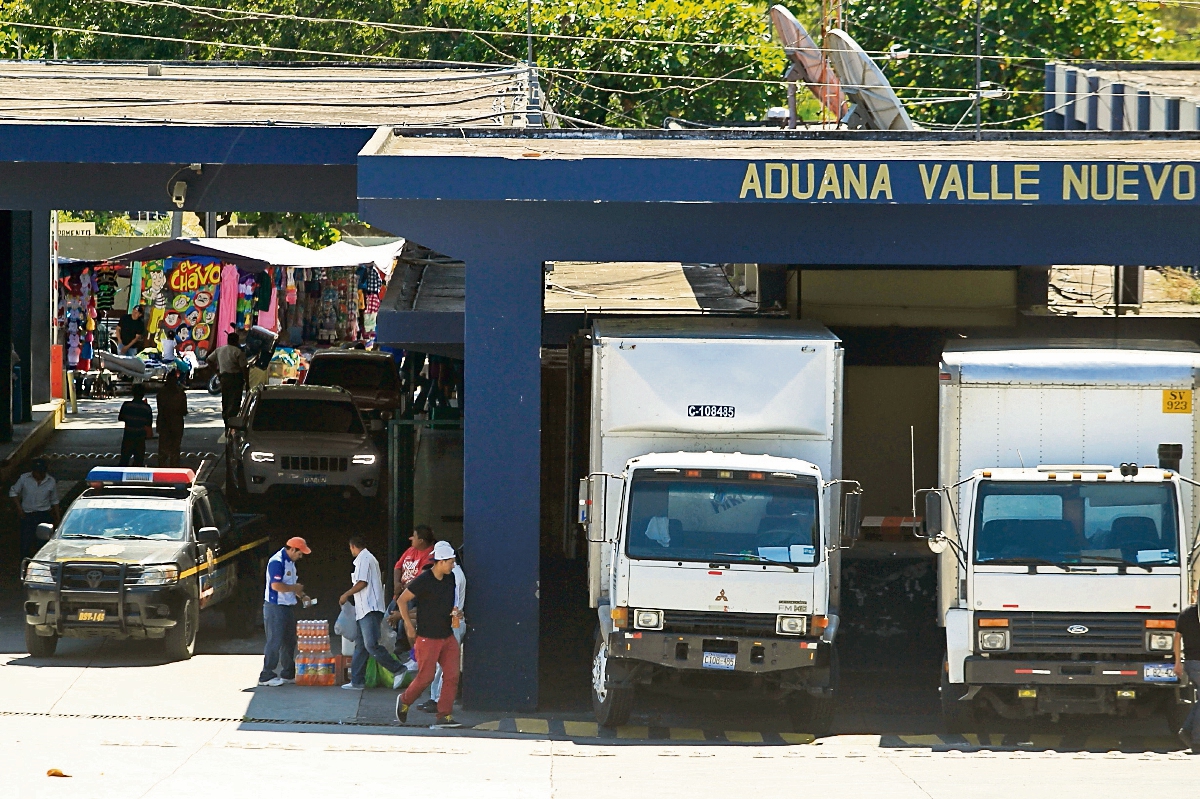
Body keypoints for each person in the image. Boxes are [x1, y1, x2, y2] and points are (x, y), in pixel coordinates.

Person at [393, 541, 463, 728]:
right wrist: (408, 625)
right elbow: (402, 600)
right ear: (440, 562)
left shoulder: (451, 579)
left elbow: (447, 603)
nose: (453, 565)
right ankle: (405, 700)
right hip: (427, 637)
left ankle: (444, 715)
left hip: (447, 635)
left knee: (452, 675)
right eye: (450, 562)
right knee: (426, 676)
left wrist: (455, 612)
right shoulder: (424, 580)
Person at [340, 536, 408, 691]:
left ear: (352, 546)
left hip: (369, 609)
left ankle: (398, 669)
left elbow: (362, 582)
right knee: (361, 645)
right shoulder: (367, 559)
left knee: (370, 645)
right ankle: (357, 680)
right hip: (363, 609)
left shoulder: (364, 559)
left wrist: (346, 594)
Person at [259, 537, 311, 687]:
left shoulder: (291, 563)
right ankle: (266, 674)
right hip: (275, 607)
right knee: (275, 640)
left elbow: (290, 585)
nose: (300, 557)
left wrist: (302, 595)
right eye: (299, 554)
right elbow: (276, 586)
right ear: (293, 549)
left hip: (287, 606)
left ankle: (288, 673)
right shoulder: (277, 561)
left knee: (289, 640)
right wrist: (295, 589)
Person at [417, 558, 465, 715]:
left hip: (452, 623)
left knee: (445, 667)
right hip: (450, 623)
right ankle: (435, 699)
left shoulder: (454, 576)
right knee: (442, 667)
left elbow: (452, 604)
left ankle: (438, 701)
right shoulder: (452, 574)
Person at [9, 459, 60, 559]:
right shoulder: (24, 478)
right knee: (26, 541)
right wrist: (19, 509)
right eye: (36, 472)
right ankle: (25, 562)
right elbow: (13, 492)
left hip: (44, 514)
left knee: (43, 541)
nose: (38, 475)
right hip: (28, 514)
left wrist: (58, 517)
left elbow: (54, 500)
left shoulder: (51, 481)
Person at [207, 331, 248, 426]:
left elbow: (209, 360)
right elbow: (243, 368)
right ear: (236, 341)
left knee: (226, 400)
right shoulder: (238, 352)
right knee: (235, 401)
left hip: (224, 378)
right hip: (236, 378)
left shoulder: (219, 350)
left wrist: (217, 372)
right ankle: (232, 422)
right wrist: (247, 382)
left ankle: (226, 421)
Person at [1174, 603, 1200, 750]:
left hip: (1190, 663)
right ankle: (1195, 739)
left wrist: (1178, 662)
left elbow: (1177, 638)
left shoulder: (1186, 613)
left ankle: (1186, 730)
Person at [394, 525, 437, 601]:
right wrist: (396, 583)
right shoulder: (411, 550)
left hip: (413, 595)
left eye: (414, 536)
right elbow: (398, 567)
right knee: (389, 613)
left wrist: (402, 588)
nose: (410, 538)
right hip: (400, 595)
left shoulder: (430, 554)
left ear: (421, 541)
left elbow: (421, 578)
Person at [156, 369, 188, 468]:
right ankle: (174, 467)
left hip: (164, 421)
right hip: (176, 422)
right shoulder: (180, 392)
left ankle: (162, 469)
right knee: (175, 447)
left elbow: (160, 408)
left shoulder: (161, 392)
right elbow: (184, 410)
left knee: (163, 448)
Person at [117, 384, 154, 467]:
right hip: (140, 436)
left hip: (128, 434)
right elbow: (148, 424)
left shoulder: (126, 405)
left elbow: (121, 418)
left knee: (124, 459)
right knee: (139, 460)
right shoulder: (146, 408)